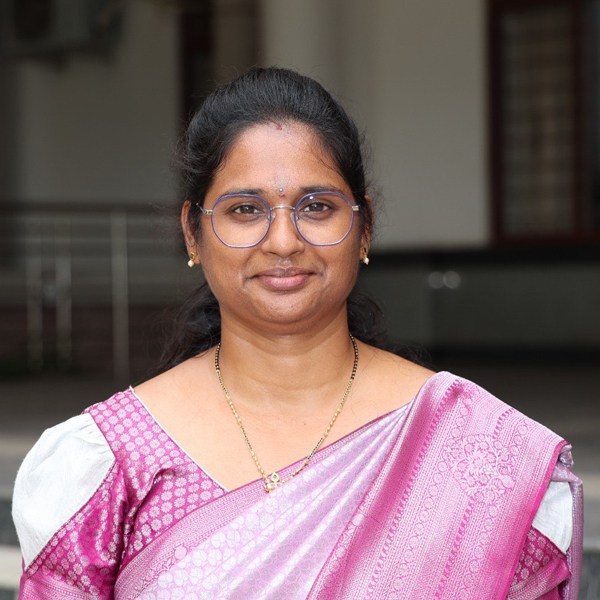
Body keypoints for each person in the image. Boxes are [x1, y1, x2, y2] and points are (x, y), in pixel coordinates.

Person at [13, 67, 582, 600]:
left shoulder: (483, 454)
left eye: (317, 206)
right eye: (244, 210)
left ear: (364, 227)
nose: (283, 241)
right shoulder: (112, 462)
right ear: (192, 234)